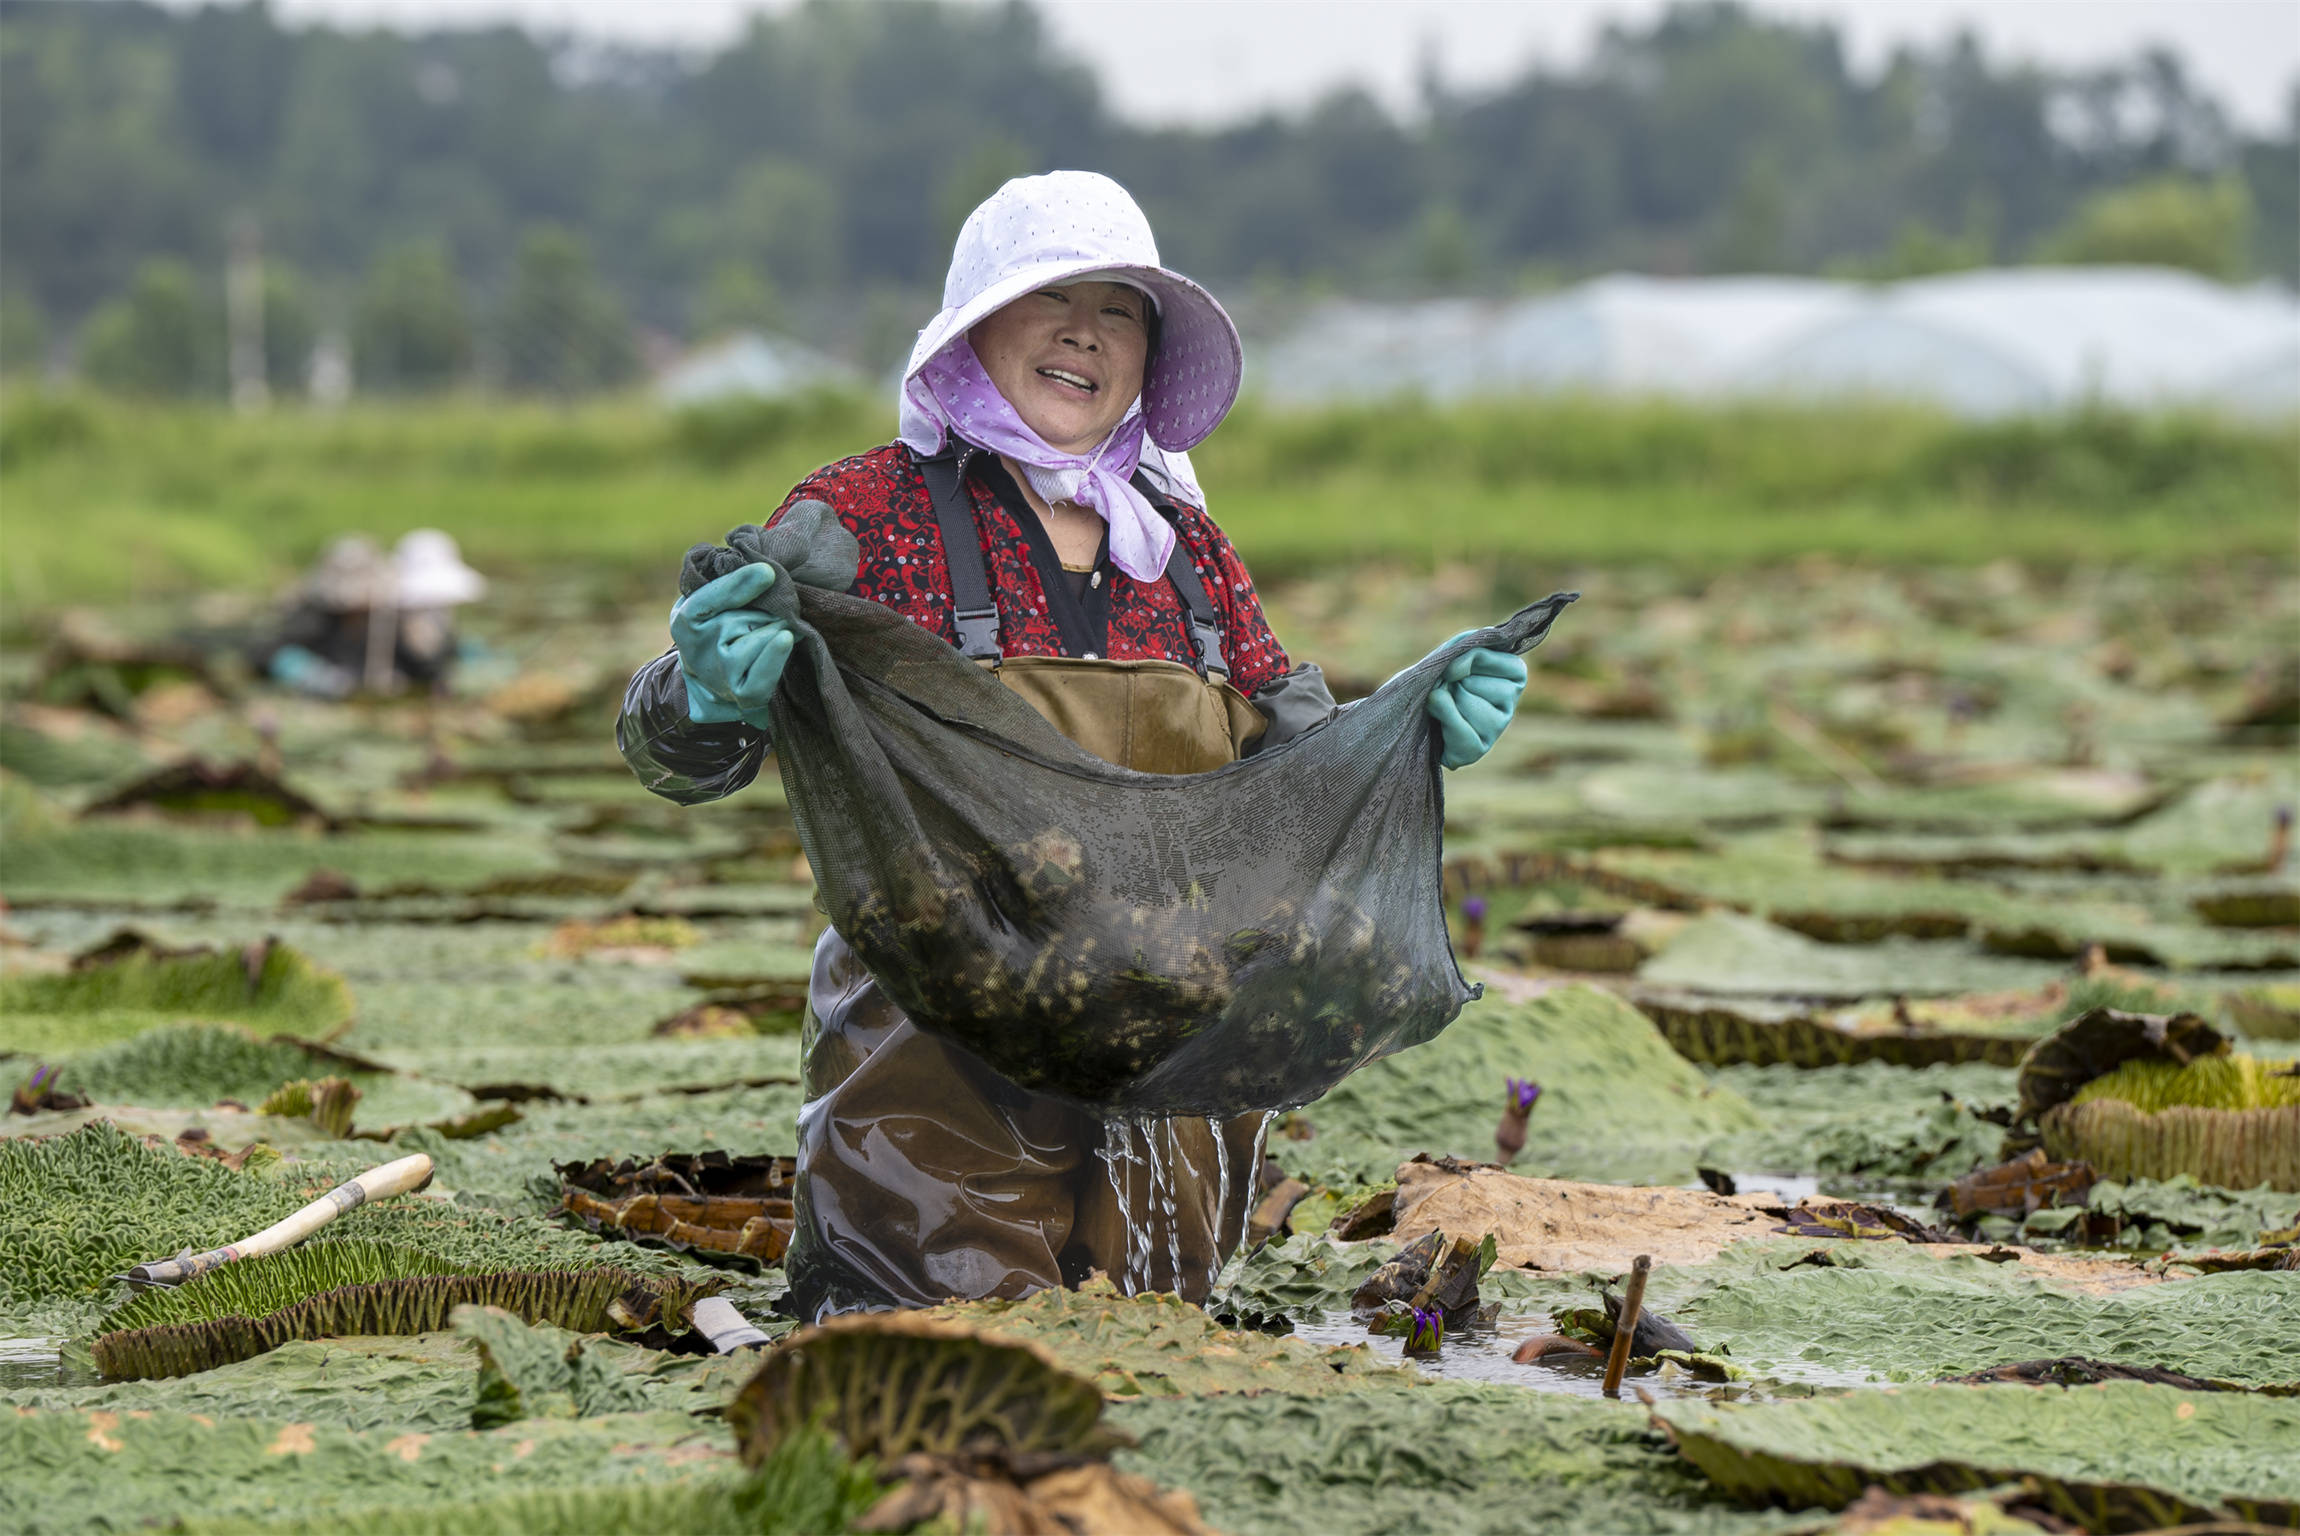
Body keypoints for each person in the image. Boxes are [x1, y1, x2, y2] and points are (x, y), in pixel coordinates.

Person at [618, 171, 1529, 1321]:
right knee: (942, 1393)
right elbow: (672, 755)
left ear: (1146, 353)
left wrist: (1411, 731)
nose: (1082, 332)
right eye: (1050, 298)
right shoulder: (864, 521)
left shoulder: (1190, 554)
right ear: (969, 332)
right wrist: (701, 697)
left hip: (1173, 1109)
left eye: (1118, 308)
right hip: (933, 1096)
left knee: (1162, 1392)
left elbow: (1297, 775)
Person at [256, 530, 484, 698]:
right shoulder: (314, 621)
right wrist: (304, 671)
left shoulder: (391, 624)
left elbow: (426, 666)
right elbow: (267, 652)